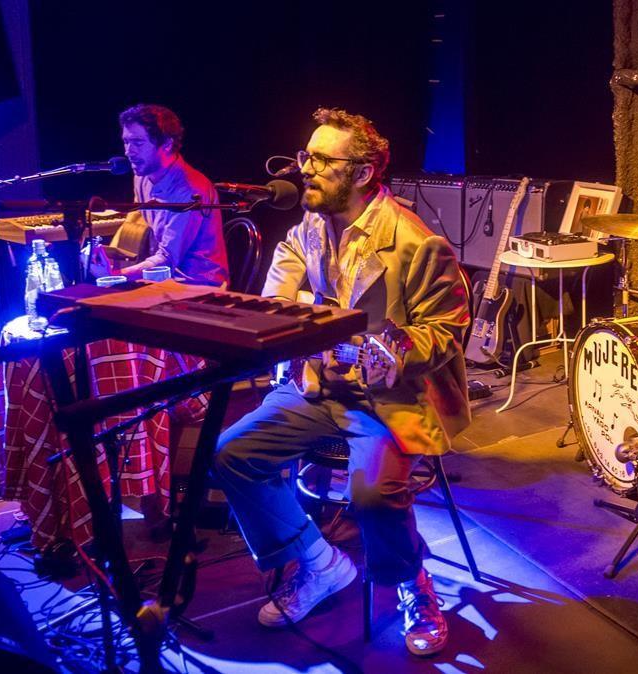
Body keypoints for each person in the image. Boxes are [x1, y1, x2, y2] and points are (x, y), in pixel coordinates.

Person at [212, 108, 471, 657]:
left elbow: (446, 331)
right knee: (233, 451)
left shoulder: (416, 242)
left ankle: (413, 585)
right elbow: (278, 291)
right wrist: (297, 306)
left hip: (384, 399)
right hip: (316, 387)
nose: (305, 168)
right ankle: (317, 563)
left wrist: (397, 353)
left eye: (321, 159)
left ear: (362, 173)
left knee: (372, 493)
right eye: (306, 155)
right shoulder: (308, 224)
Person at [89, 104, 229, 286]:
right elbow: (137, 221)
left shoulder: (190, 191)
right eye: (126, 142)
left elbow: (167, 259)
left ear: (167, 144)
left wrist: (117, 274)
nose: (128, 152)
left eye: (138, 143)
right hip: (164, 282)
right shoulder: (142, 176)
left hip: (196, 286)